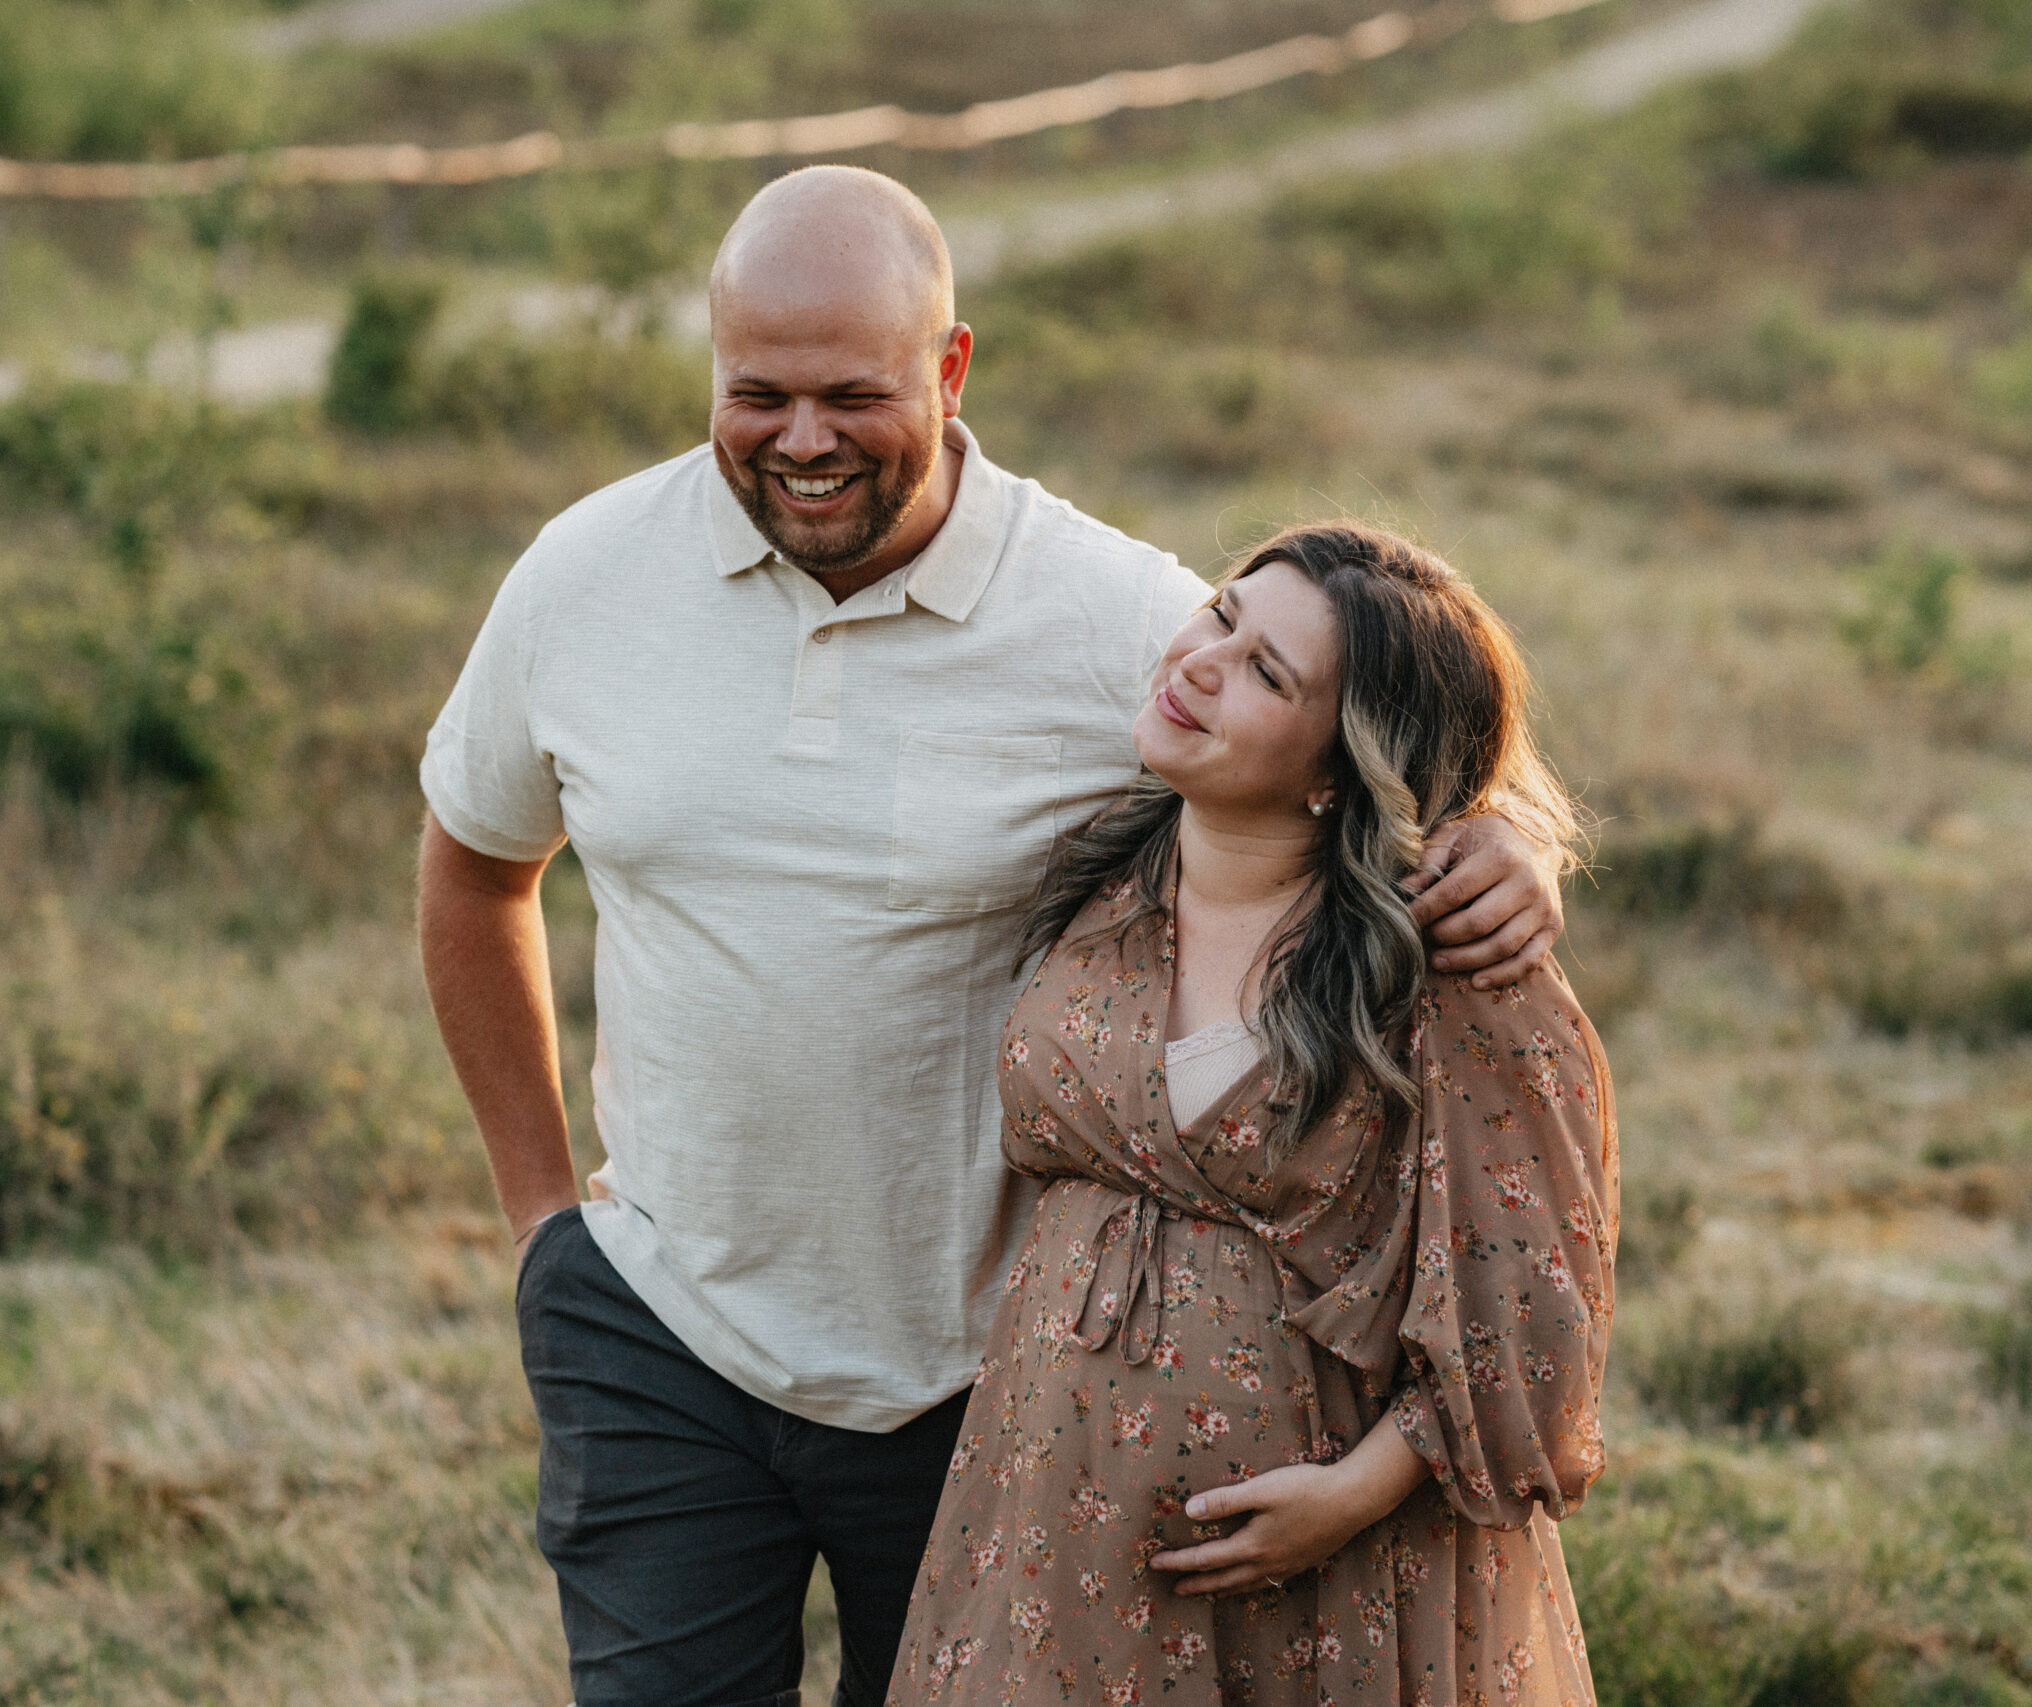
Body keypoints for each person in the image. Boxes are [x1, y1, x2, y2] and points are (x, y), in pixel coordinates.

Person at [414, 165, 1570, 1707]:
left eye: (851, 393)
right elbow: (476, 867)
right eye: (756, 391)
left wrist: (1515, 828)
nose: (802, 439)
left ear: (952, 370)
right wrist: (544, 1230)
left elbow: (1365, 722)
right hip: (654, 1326)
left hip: (998, 1378)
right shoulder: (583, 577)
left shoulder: (1114, 622)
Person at [887, 521, 1616, 1707]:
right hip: (1045, 1536)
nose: (1201, 663)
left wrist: (1354, 1495)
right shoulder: (1101, 880)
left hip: (1328, 1586)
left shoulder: (1453, 966)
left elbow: (1533, 1311)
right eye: (1222, 615)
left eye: (1270, 673)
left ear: (1342, 766)